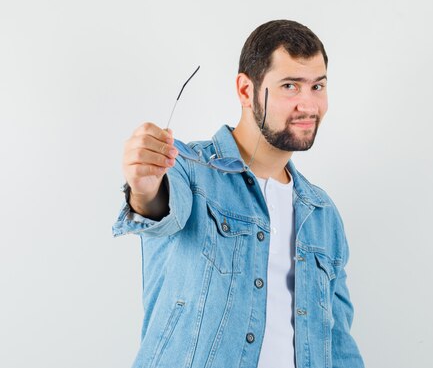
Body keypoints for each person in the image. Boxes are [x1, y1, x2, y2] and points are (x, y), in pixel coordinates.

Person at [112, 20, 364, 368]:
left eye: (317, 86)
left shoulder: (322, 213)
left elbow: (338, 345)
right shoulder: (188, 169)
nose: (308, 105)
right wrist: (143, 185)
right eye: (290, 86)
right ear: (246, 91)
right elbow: (158, 209)